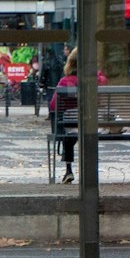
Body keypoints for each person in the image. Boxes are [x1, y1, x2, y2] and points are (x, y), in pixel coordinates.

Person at [49, 51, 80, 183]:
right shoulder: (96, 80)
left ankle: (69, 170)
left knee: (68, 135)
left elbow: (53, 105)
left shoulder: (65, 81)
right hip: (96, 125)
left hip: (72, 125)